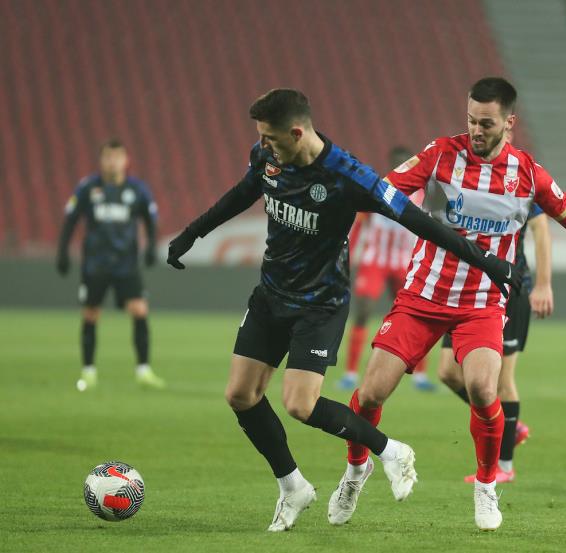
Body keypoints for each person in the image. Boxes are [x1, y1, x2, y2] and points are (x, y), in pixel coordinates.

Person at [328, 77, 566, 531]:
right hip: (423, 296)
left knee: (482, 388)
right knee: (372, 393)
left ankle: (486, 486)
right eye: (471, 120)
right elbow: (382, 191)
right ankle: (356, 472)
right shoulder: (440, 155)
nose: (476, 130)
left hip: (482, 303)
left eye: (486, 123)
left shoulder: (529, 175)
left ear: (509, 123)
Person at [166, 88, 520, 532]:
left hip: (320, 304)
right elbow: (242, 193)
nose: (263, 145)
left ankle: (389, 451)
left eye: (271, 137)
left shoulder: (349, 176)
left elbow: (419, 222)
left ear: (297, 133)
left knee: (300, 405)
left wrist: (485, 260)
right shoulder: (267, 157)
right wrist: (192, 233)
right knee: (240, 395)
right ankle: (293, 486)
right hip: (271, 295)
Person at [438, 203, 552, 484]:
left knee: (501, 380)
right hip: (465, 291)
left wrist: (543, 284)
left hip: (507, 290)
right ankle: (508, 424)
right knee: (449, 372)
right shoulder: (464, 183)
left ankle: (505, 465)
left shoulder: (521, 185)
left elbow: (541, 226)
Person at [56, 138, 165, 391]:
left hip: (126, 264)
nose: (112, 162)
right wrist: (62, 252)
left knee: (139, 310)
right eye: (107, 157)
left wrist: (151, 247)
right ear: (101, 160)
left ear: (126, 161)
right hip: (96, 264)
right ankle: (88, 372)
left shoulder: (137, 189)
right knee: (91, 314)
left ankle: (143, 370)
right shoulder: (88, 188)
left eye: (117, 157)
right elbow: (71, 219)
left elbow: (150, 220)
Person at [340, 146, 435, 392]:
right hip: (376, 260)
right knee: (363, 311)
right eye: (397, 163)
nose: (401, 167)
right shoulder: (377, 189)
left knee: (416, 317)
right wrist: (348, 256)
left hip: (405, 262)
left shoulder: (422, 195)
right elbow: (359, 225)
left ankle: (420, 376)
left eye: (405, 163)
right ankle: (350, 373)